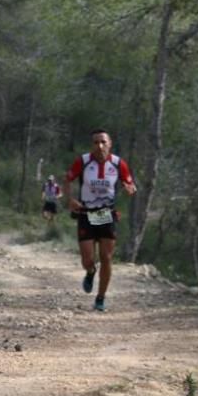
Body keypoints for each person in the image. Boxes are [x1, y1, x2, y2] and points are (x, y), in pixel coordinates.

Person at [65, 129, 137, 312]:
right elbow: (67, 179)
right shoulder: (83, 161)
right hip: (86, 213)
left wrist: (130, 189)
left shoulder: (118, 163)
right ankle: (90, 272)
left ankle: (100, 298)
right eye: (96, 142)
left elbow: (129, 183)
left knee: (106, 257)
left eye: (103, 142)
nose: (100, 146)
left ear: (110, 144)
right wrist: (70, 199)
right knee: (87, 259)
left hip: (106, 214)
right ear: (92, 145)